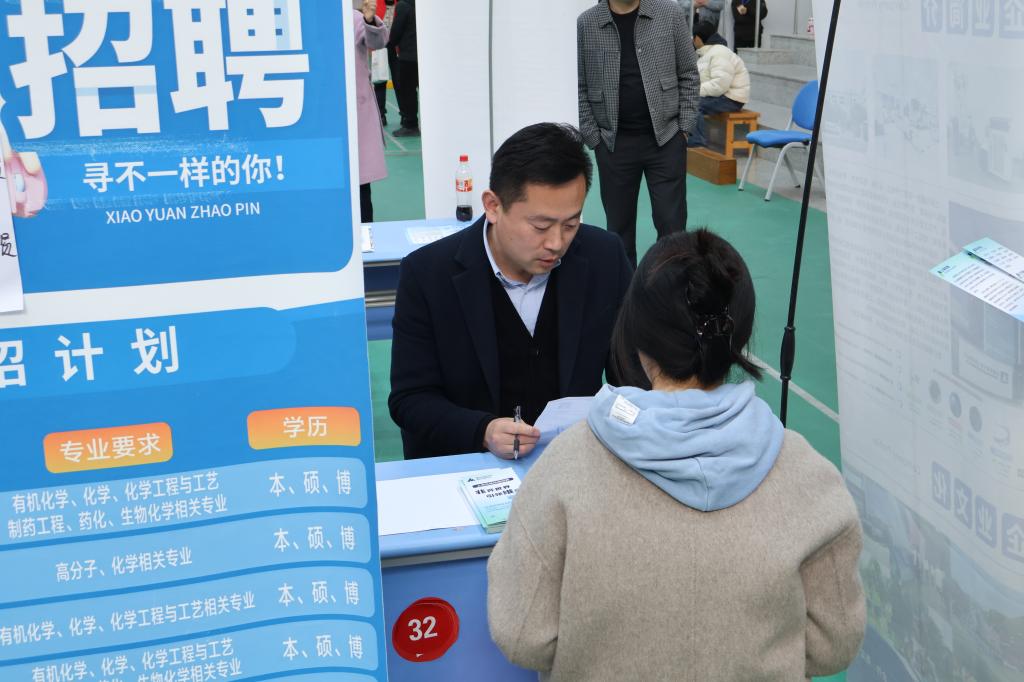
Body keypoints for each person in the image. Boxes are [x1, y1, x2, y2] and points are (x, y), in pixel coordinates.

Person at [488, 229, 866, 680]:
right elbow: (833, 644)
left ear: (636, 332)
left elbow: (523, 633)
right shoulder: (809, 476)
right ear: (740, 335)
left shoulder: (565, 466)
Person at [389, 123, 633, 459]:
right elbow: (410, 399)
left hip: (572, 463)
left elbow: (632, 377)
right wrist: (483, 431)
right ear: (493, 205)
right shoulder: (428, 274)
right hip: (470, 463)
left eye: (570, 224)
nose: (556, 243)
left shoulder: (604, 257)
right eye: (540, 226)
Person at [578, 0, 700, 267]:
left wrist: (684, 129)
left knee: (672, 227)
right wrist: (594, 138)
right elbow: (581, 84)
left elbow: (689, 74)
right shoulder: (587, 22)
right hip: (613, 144)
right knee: (618, 230)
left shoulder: (669, 14)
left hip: (666, 139)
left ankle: (670, 287)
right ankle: (625, 289)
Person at [353, 0, 389, 222]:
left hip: (356, 113)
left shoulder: (353, 18)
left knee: (360, 185)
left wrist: (369, 20)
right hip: (323, 113)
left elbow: (378, 41)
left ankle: (365, 234)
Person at [687, 21, 750, 148]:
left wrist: (694, 91)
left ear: (698, 38)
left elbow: (719, 85)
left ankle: (697, 144)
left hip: (731, 98)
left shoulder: (719, 53)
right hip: (722, 95)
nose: (692, 41)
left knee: (692, 104)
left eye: (693, 37)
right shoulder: (708, 53)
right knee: (686, 100)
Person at [387, 0, 419, 137]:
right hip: (422, 56)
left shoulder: (403, 5)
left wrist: (389, 43)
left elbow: (396, 31)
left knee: (408, 92)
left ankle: (410, 124)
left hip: (408, 56)